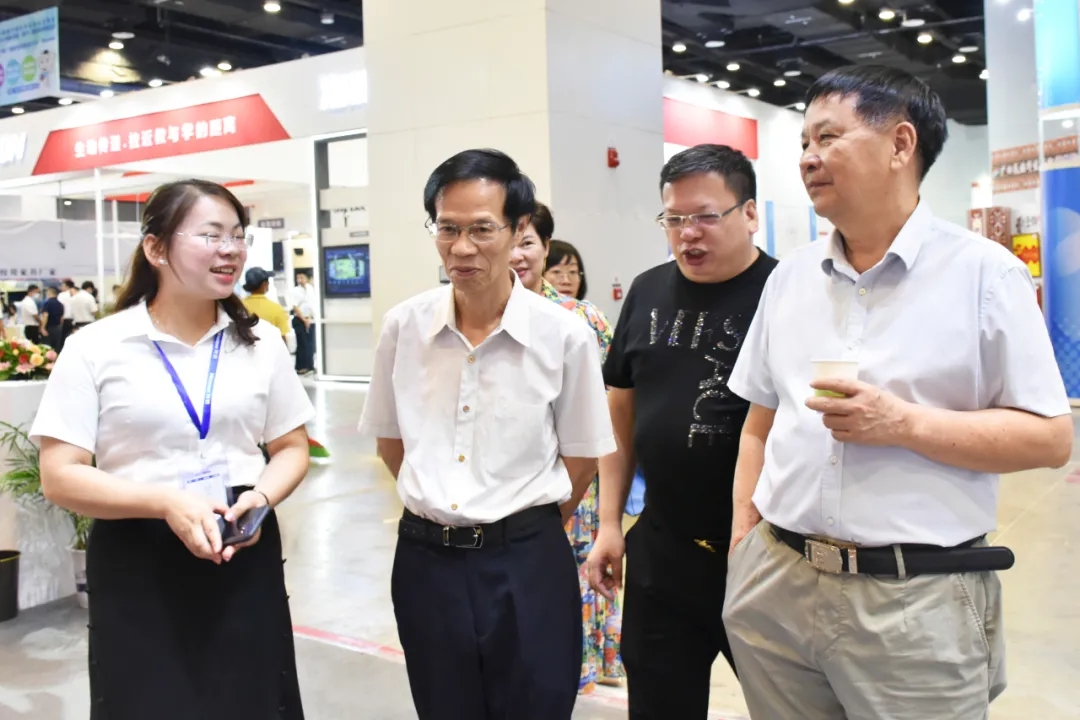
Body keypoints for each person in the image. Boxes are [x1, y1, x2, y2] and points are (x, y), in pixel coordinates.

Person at [722, 65, 1073, 719]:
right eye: (804, 142)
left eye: (828, 137)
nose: (808, 157)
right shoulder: (790, 278)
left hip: (915, 599)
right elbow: (759, 422)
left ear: (901, 144)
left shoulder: (985, 275)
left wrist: (903, 423)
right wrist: (746, 537)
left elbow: (1051, 439)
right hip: (776, 581)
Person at [30, 179, 315, 720]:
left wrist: (260, 498)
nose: (230, 250)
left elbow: (291, 447)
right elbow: (60, 475)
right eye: (211, 235)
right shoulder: (95, 348)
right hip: (139, 549)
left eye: (238, 236)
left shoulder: (260, 343)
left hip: (239, 542)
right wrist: (165, 502)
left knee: (253, 697)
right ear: (156, 248)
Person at [358, 149, 615, 720]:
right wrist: (443, 503)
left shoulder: (563, 335)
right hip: (426, 562)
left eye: (481, 229)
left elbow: (581, 458)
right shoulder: (404, 327)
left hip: (527, 561)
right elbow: (391, 443)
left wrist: (514, 526)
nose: (461, 248)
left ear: (519, 230)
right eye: (447, 228)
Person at [586, 143, 778, 719]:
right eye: (673, 219)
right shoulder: (647, 291)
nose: (687, 233)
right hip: (663, 551)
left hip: (765, 555)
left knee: (788, 707)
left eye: (705, 216)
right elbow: (620, 410)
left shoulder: (787, 292)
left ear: (750, 213)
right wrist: (610, 522)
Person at [512, 200, 622, 693]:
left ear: (545, 247)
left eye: (527, 243)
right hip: (513, 483)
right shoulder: (479, 316)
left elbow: (613, 403)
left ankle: (583, 668)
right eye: (509, 242)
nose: (517, 255)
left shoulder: (583, 319)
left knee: (578, 571)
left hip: (575, 477)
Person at [242, 267, 291, 340]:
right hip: (270, 347)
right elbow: (282, 338)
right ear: (264, 285)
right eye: (267, 281)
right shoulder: (276, 309)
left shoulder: (238, 306)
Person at [286, 272, 316, 375]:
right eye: (298, 278)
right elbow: (295, 307)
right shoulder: (294, 291)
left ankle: (310, 366)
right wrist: (304, 319)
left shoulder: (311, 289)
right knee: (302, 343)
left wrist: (309, 318)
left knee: (310, 344)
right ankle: (301, 367)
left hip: (310, 319)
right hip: (299, 319)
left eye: (302, 277)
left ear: (307, 278)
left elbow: (312, 304)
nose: (299, 280)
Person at [40, 286, 65, 351]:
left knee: (47, 348)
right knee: (57, 348)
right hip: (58, 328)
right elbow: (61, 318)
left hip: (49, 328)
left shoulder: (47, 303)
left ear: (49, 292)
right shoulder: (60, 304)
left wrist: (42, 328)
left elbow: (45, 316)